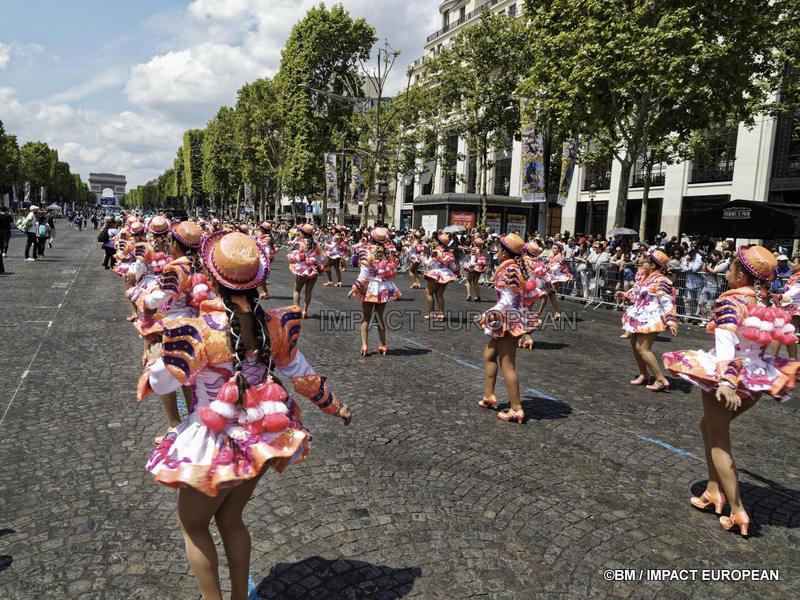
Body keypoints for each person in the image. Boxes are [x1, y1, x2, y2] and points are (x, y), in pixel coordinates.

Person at [139, 231, 351, 598]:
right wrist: (335, 406)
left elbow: (160, 383)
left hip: (212, 444)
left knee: (192, 525)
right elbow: (303, 375)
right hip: (260, 439)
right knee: (230, 518)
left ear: (211, 274)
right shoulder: (273, 326)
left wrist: (154, 362)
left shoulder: (201, 332)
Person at [663, 246, 800, 537]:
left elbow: (725, 342)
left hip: (729, 377)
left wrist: (726, 382)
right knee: (708, 428)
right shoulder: (764, 301)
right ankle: (714, 491)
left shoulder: (731, 301)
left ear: (739, 275)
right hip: (756, 378)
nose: (726, 271)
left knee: (719, 442)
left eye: (730, 267)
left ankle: (738, 510)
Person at [477, 233, 542, 424]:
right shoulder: (515, 268)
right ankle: (489, 395)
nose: (497, 252)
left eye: (499, 249)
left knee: (507, 363)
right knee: (489, 354)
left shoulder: (510, 271)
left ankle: (516, 408)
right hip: (511, 317)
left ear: (505, 253)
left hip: (508, 319)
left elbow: (506, 302)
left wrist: (488, 314)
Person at [616, 250, 678, 391]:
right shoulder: (645, 277)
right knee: (634, 345)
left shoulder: (662, 281)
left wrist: (671, 321)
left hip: (651, 317)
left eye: (647, 262)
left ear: (654, 266)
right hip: (639, 315)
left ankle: (661, 379)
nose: (643, 263)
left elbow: (667, 302)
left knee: (643, 348)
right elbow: (636, 292)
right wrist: (625, 295)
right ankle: (644, 374)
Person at [348, 227, 401, 355]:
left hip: (371, 287)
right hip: (384, 287)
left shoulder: (367, 252)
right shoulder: (389, 252)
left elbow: (364, 275)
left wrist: (354, 288)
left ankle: (365, 346)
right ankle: (383, 345)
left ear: (371, 238)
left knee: (366, 318)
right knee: (379, 317)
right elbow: (392, 271)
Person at [287, 223, 323, 318]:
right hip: (313, 270)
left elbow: (297, 256)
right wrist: (323, 265)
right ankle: (305, 311)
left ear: (303, 233)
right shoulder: (315, 243)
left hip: (301, 270)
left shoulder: (300, 243)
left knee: (296, 290)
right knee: (308, 292)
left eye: (300, 231)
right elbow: (321, 256)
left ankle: (297, 310)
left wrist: (291, 257)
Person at [423, 232, 458, 320]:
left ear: (438, 242)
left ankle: (432, 314)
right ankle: (441, 314)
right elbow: (453, 267)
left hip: (436, 273)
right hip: (446, 274)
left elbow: (428, 263)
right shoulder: (449, 253)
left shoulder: (436, 251)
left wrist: (423, 258)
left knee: (428, 292)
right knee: (439, 294)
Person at [464, 236, 487, 302]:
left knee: (468, 281)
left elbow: (473, 260)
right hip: (480, 268)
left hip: (474, 267)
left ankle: (469, 295)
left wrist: (469, 266)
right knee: (475, 282)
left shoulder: (474, 249)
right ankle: (477, 296)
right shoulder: (482, 250)